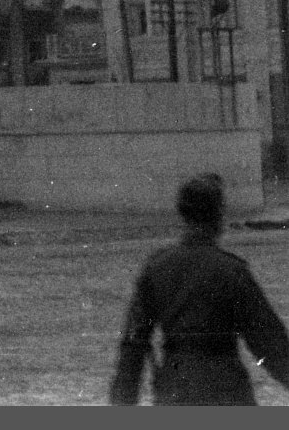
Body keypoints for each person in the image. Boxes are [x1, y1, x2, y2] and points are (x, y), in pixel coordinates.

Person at [110, 173, 289, 404]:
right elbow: (269, 343)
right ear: (218, 216)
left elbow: (133, 345)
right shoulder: (232, 270)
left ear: (183, 214)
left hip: (174, 389)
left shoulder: (156, 268)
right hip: (226, 390)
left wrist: (121, 406)